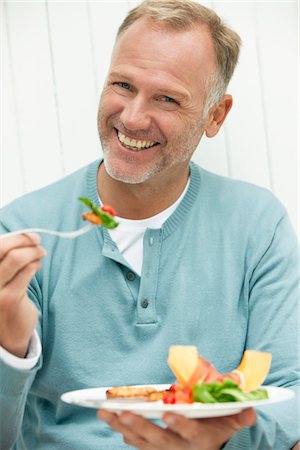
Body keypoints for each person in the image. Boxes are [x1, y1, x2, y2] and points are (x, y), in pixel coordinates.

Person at [0, 0, 299, 449]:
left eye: (167, 98)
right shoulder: (23, 230)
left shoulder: (259, 224)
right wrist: (10, 347)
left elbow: (289, 390)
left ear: (215, 115)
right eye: (123, 84)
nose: (133, 118)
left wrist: (219, 443)